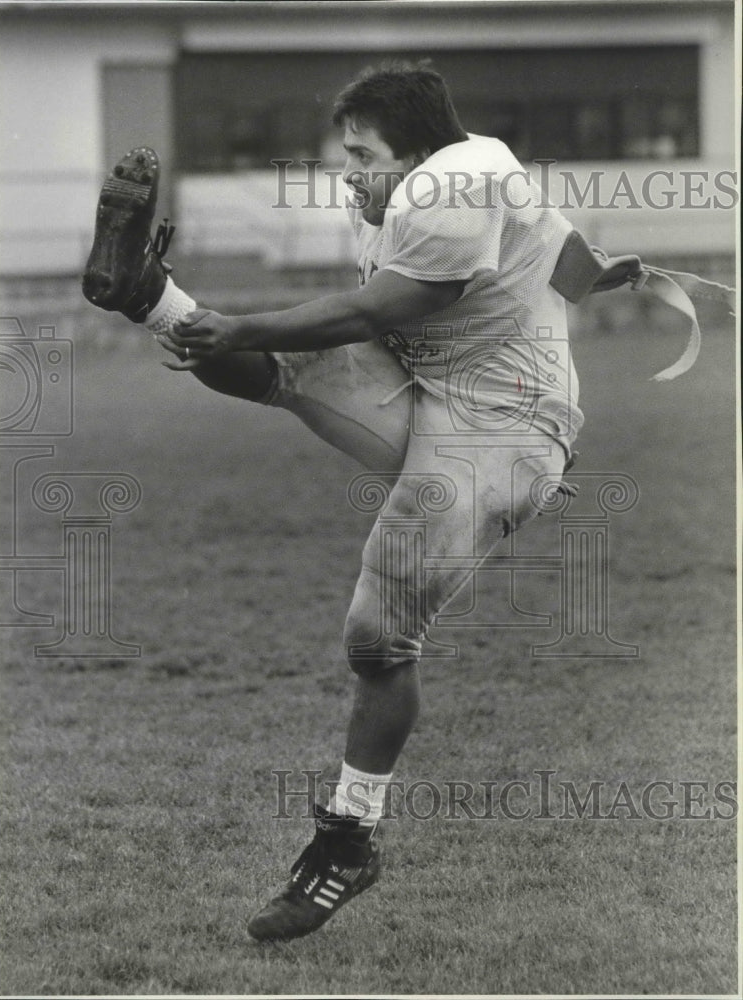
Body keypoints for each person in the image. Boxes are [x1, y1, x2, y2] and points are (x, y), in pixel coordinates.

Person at [82, 62, 590, 943]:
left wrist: (243, 324)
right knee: (273, 375)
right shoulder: (449, 176)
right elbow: (551, 253)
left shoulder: (453, 179)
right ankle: (148, 296)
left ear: (421, 150)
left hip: (503, 432)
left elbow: (387, 304)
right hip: (443, 389)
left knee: (377, 634)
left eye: (361, 154)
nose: (348, 172)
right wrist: (591, 270)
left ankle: (348, 839)